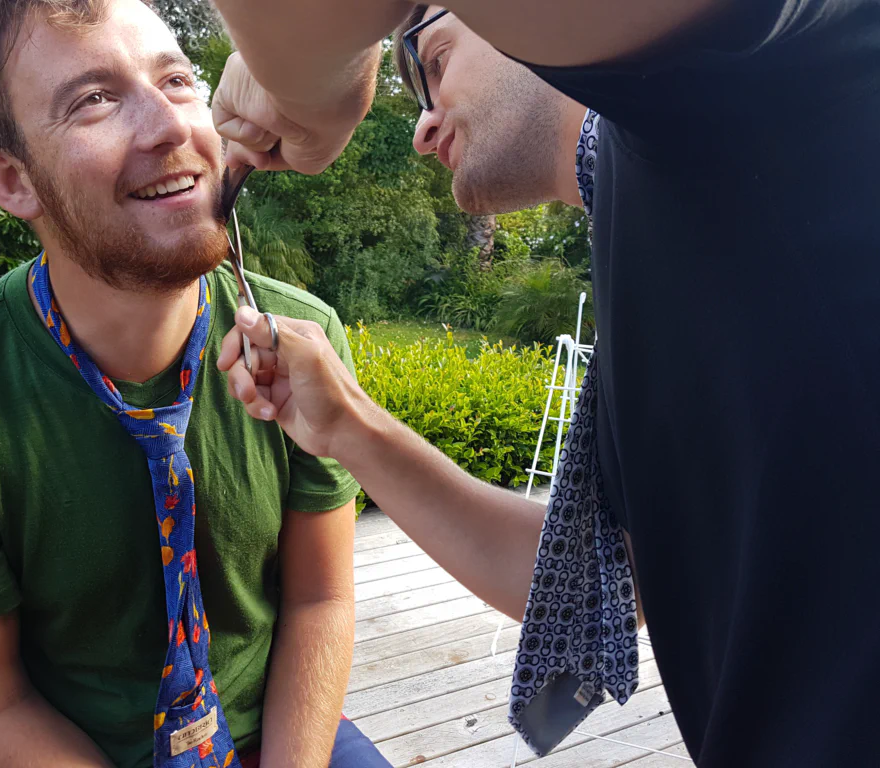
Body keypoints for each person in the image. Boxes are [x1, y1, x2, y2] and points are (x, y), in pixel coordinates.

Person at [212, 1, 880, 765]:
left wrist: (305, 81)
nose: (423, 128)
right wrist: (345, 426)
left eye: (432, 62)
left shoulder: (741, 87)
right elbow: (592, 576)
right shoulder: (641, 231)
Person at [0, 1, 392, 766]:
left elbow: (319, 599)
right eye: (94, 100)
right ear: (12, 179)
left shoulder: (300, 341)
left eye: (176, 79)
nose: (171, 126)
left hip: (279, 731)